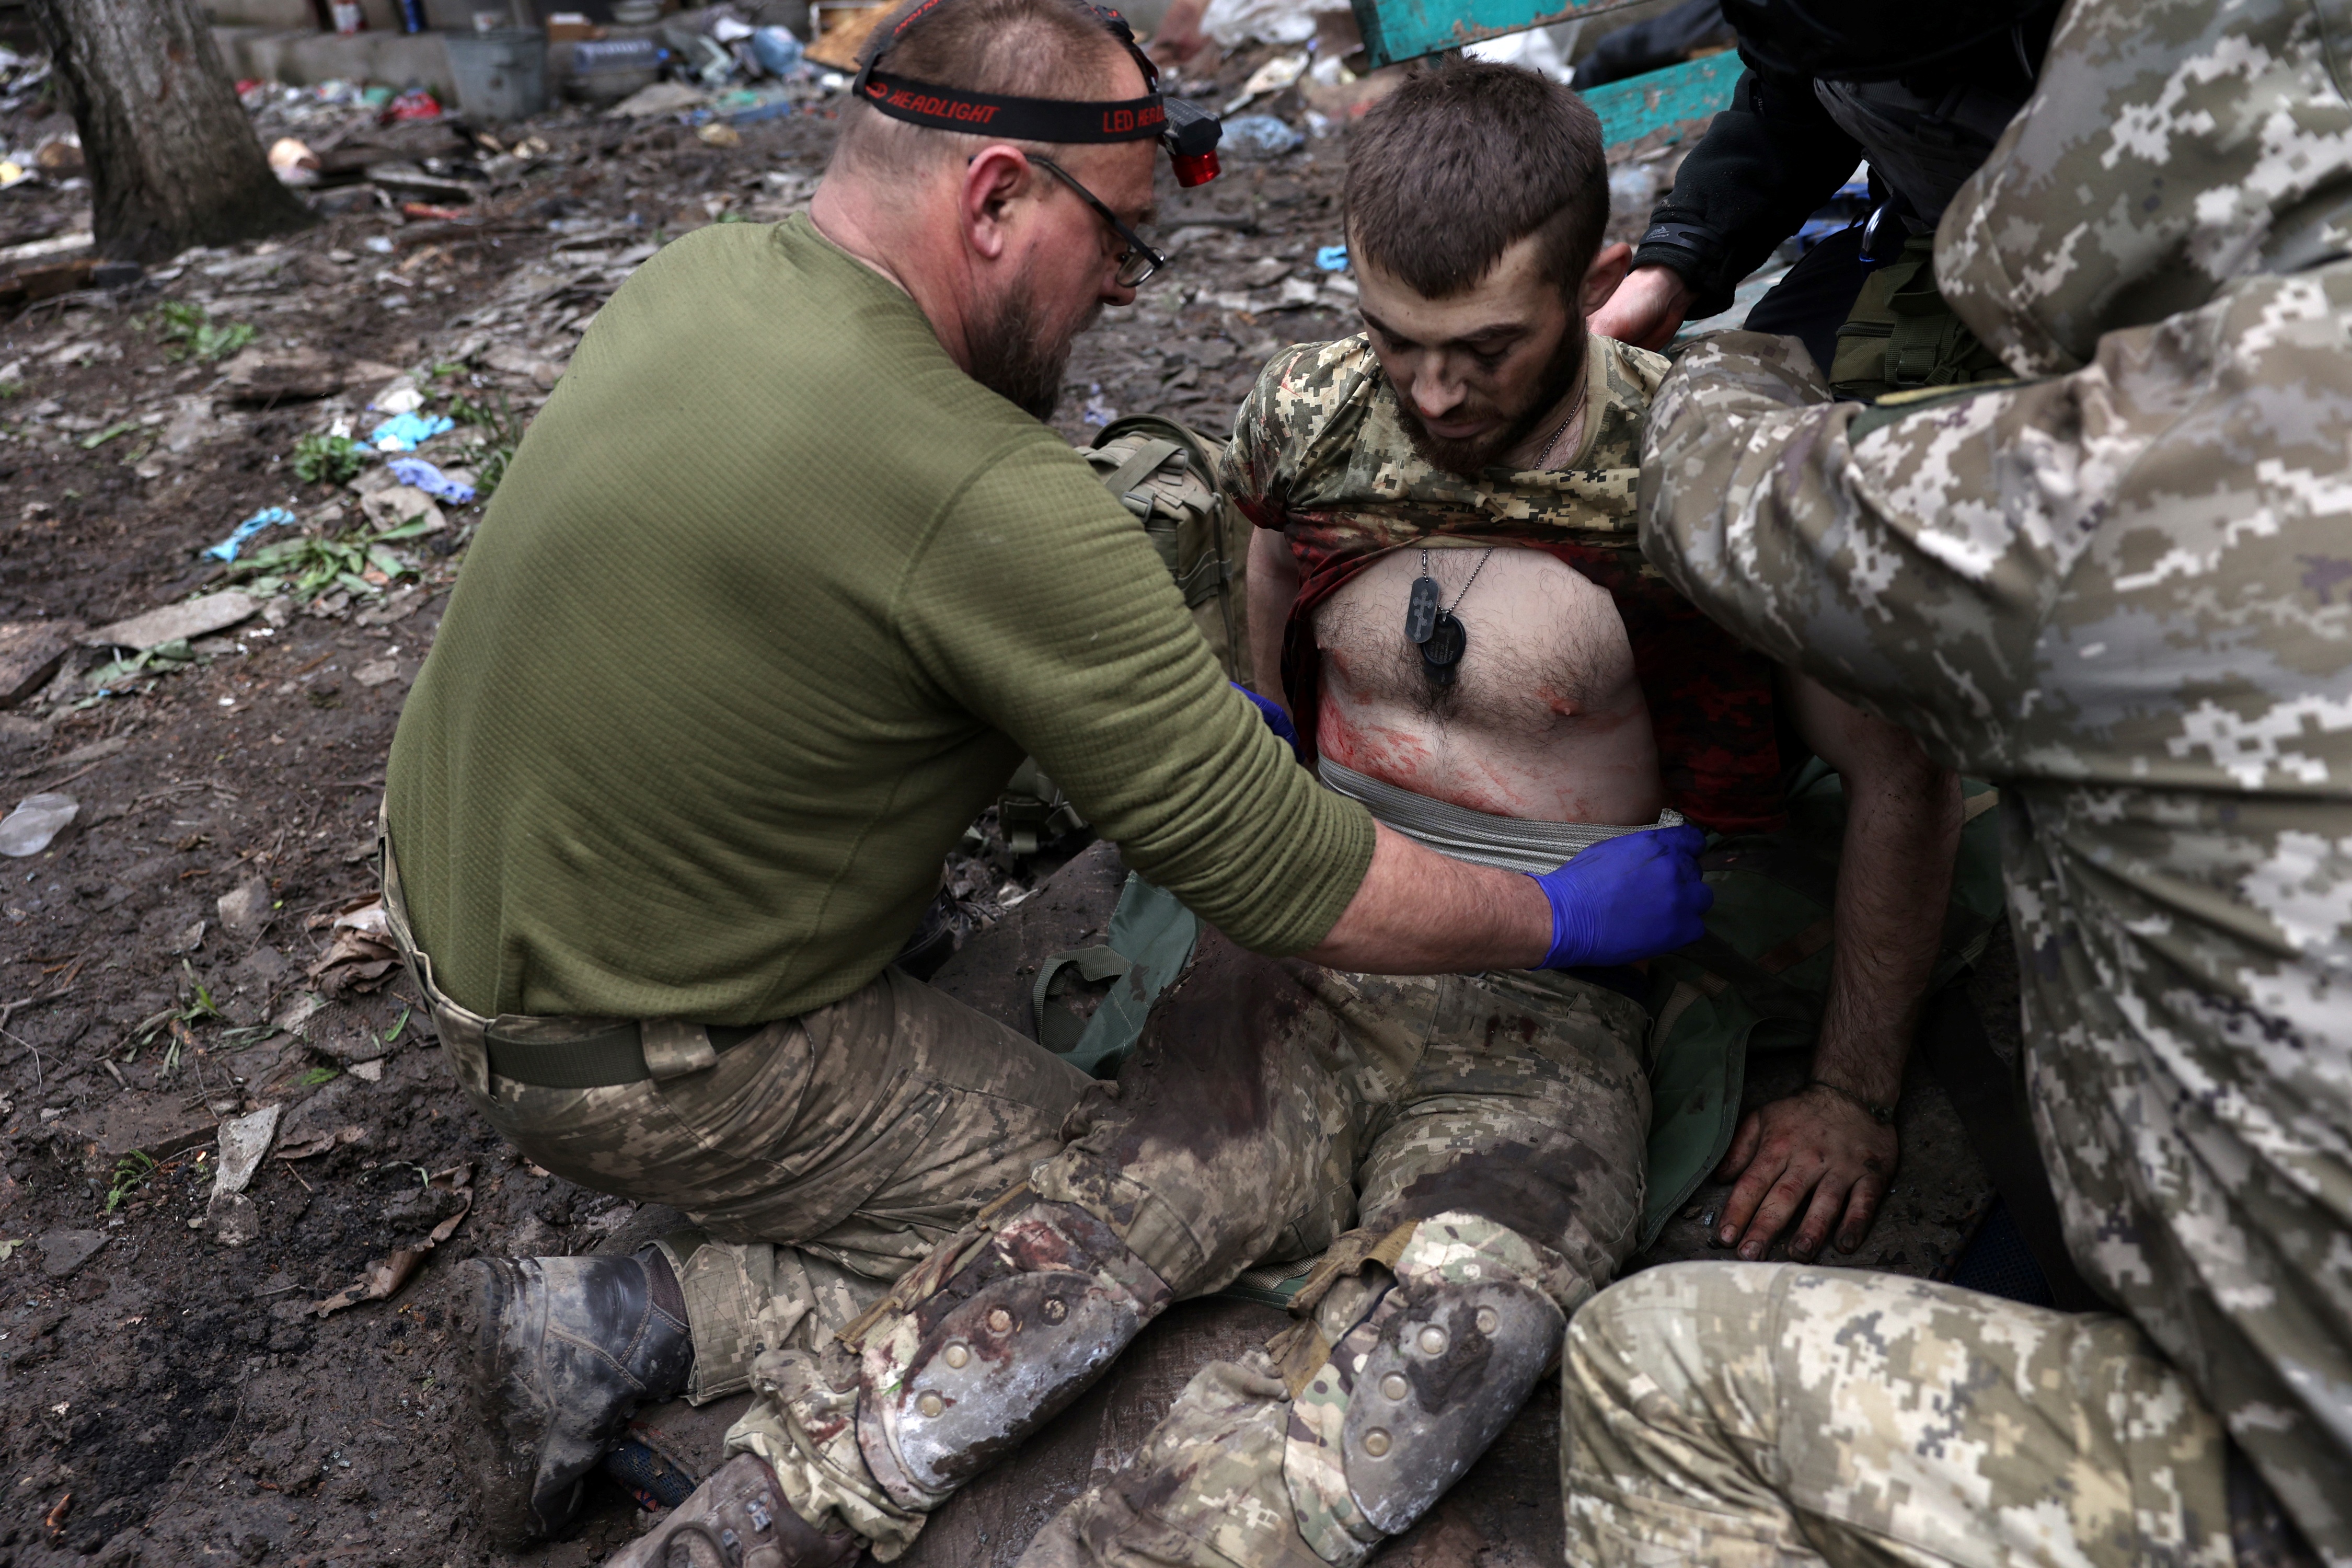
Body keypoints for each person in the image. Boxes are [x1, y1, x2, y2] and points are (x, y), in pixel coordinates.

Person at [380, 0, 1709, 1562]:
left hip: (471, 916)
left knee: (1255, 1245)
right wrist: (1563, 917)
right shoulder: (993, 496)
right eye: (1122, 251)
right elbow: (1290, 876)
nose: (1114, 301)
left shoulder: (706, 273)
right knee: (1116, 1208)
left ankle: (647, 1368)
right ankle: (648, 1325)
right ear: (999, 197)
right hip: (641, 1045)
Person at [987, 59, 1994, 1568]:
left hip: (1572, 975)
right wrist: (1270, 747)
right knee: (1103, 1229)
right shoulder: (1319, 413)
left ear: (1594, 285)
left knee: (1442, 1341)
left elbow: (1899, 774)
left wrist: (1852, 1092)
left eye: (1486, 350)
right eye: (1399, 341)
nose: (1438, 395)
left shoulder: (1694, 476)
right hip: (1352, 906)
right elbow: (1270, 545)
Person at [1564, 0, 2352, 1561]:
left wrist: (1723, 364)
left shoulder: (2070, 498)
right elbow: (1789, 93)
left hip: (2297, 1449)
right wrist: (1689, 251)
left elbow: (1723, 493)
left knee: (1653, 1375)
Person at [1590, 0, 2061, 379]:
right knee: (1754, 370)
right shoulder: (1803, 22)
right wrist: (1672, 268)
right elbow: (1792, 102)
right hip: (1925, 235)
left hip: (2090, 265)